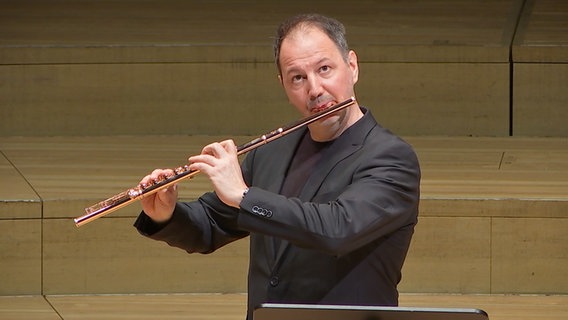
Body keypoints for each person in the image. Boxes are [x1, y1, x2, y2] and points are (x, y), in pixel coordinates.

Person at [134, 13, 421, 320]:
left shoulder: (391, 158)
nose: (314, 89)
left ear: (352, 66)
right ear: (283, 84)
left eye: (325, 69)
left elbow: (337, 229)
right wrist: (165, 213)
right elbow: (211, 224)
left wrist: (244, 197)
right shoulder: (273, 151)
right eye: (298, 77)